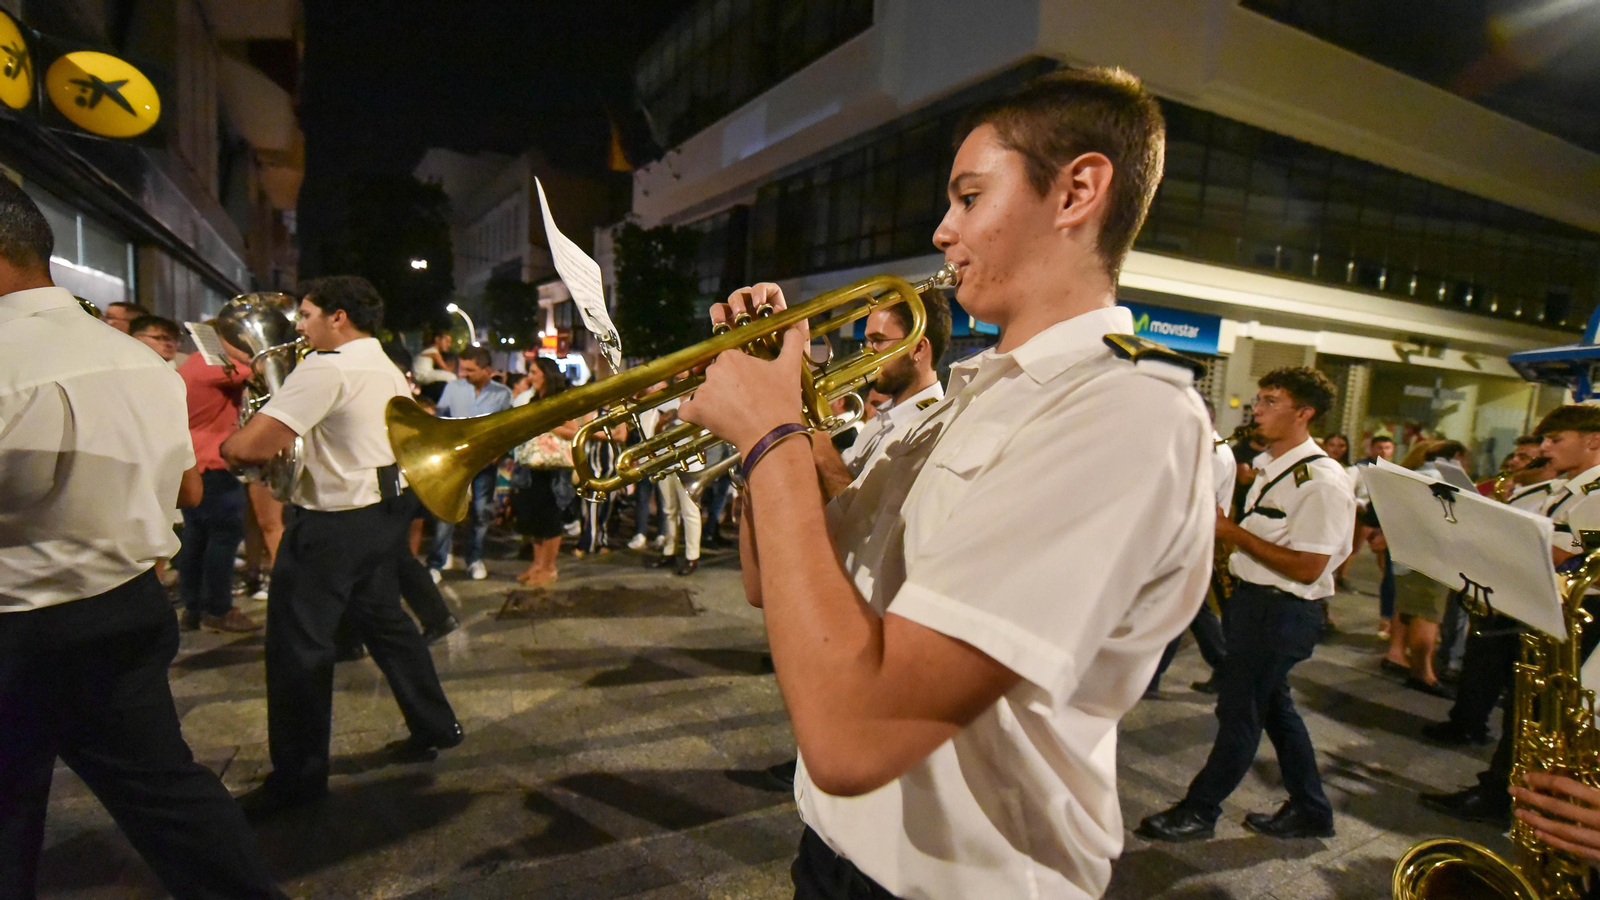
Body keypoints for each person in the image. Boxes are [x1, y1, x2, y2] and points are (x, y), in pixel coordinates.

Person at [679, 68, 1214, 899]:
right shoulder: (968, 402)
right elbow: (769, 585)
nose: (942, 230)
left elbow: (854, 736)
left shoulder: (1125, 411)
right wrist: (769, 439)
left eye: (969, 198)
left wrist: (775, 433)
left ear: (1076, 191)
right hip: (835, 852)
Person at [0, 179, 285, 899]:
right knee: (170, 797)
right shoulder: (142, 361)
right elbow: (185, 492)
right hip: (121, 607)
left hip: (15, 623)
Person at [220, 276, 462, 818]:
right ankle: (434, 724)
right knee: (386, 623)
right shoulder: (383, 363)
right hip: (381, 511)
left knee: (298, 648)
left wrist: (230, 444)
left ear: (338, 318)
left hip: (333, 522)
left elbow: (255, 444)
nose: (298, 327)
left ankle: (298, 780)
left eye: (306, 315)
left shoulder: (326, 367)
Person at [1138, 367, 1354, 842]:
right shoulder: (1271, 470)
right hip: (1255, 606)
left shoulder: (1320, 480)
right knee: (1275, 710)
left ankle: (1200, 810)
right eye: (1257, 399)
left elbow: (1309, 566)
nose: (1256, 410)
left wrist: (1231, 533)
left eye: (1270, 401)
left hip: (1282, 613)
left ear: (1304, 413)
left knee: (1240, 715)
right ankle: (1311, 808)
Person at [1421, 405, 1600, 829]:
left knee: (1542, 714)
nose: (1544, 448)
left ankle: (1510, 797)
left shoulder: (1596, 495)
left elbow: (1559, 557)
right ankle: (1508, 790)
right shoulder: (1567, 488)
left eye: (1556, 439)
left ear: (1594, 440)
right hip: (1549, 607)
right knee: (1526, 710)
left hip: (1579, 613)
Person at [816, 287, 953, 496]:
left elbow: (861, 516)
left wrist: (818, 443)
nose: (866, 353)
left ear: (918, 348)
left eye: (878, 341)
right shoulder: (883, 417)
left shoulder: (932, 427)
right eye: (868, 341)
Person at [176, 330, 262, 633]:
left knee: (196, 536)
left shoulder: (191, 364)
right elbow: (264, 370)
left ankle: (193, 608)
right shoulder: (215, 365)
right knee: (224, 536)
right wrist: (241, 352)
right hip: (214, 460)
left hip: (193, 459)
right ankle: (218, 608)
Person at [1148, 396, 1234, 696]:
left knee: (1177, 606)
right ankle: (1223, 667)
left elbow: (1195, 499)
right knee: (1189, 608)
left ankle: (1152, 677)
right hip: (1187, 537)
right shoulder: (1206, 445)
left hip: (1190, 539)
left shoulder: (1214, 452)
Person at [428, 345, 513, 581]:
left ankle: (474, 559)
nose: (464, 374)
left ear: (487, 370)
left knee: (480, 512)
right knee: (447, 512)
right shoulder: (453, 388)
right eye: (462, 368)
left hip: (486, 464)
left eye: (470, 370)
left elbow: (507, 428)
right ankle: (437, 561)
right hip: (455, 462)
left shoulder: (503, 394)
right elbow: (440, 418)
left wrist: (499, 452)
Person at [508, 356, 583, 586]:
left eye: (533, 372)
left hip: (554, 468)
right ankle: (537, 565)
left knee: (550, 518)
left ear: (546, 375)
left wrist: (546, 424)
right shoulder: (531, 399)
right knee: (534, 518)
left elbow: (574, 431)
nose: (529, 377)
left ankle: (549, 568)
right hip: (532, 466)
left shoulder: (560, 400)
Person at [412, 328, 456, 402]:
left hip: (421, 375)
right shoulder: (434, 353)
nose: (449, 345)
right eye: (446, 341)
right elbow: (446, 369)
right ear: (437, 339)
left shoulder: (428, 351)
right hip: (424, 375)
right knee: (452, 377)